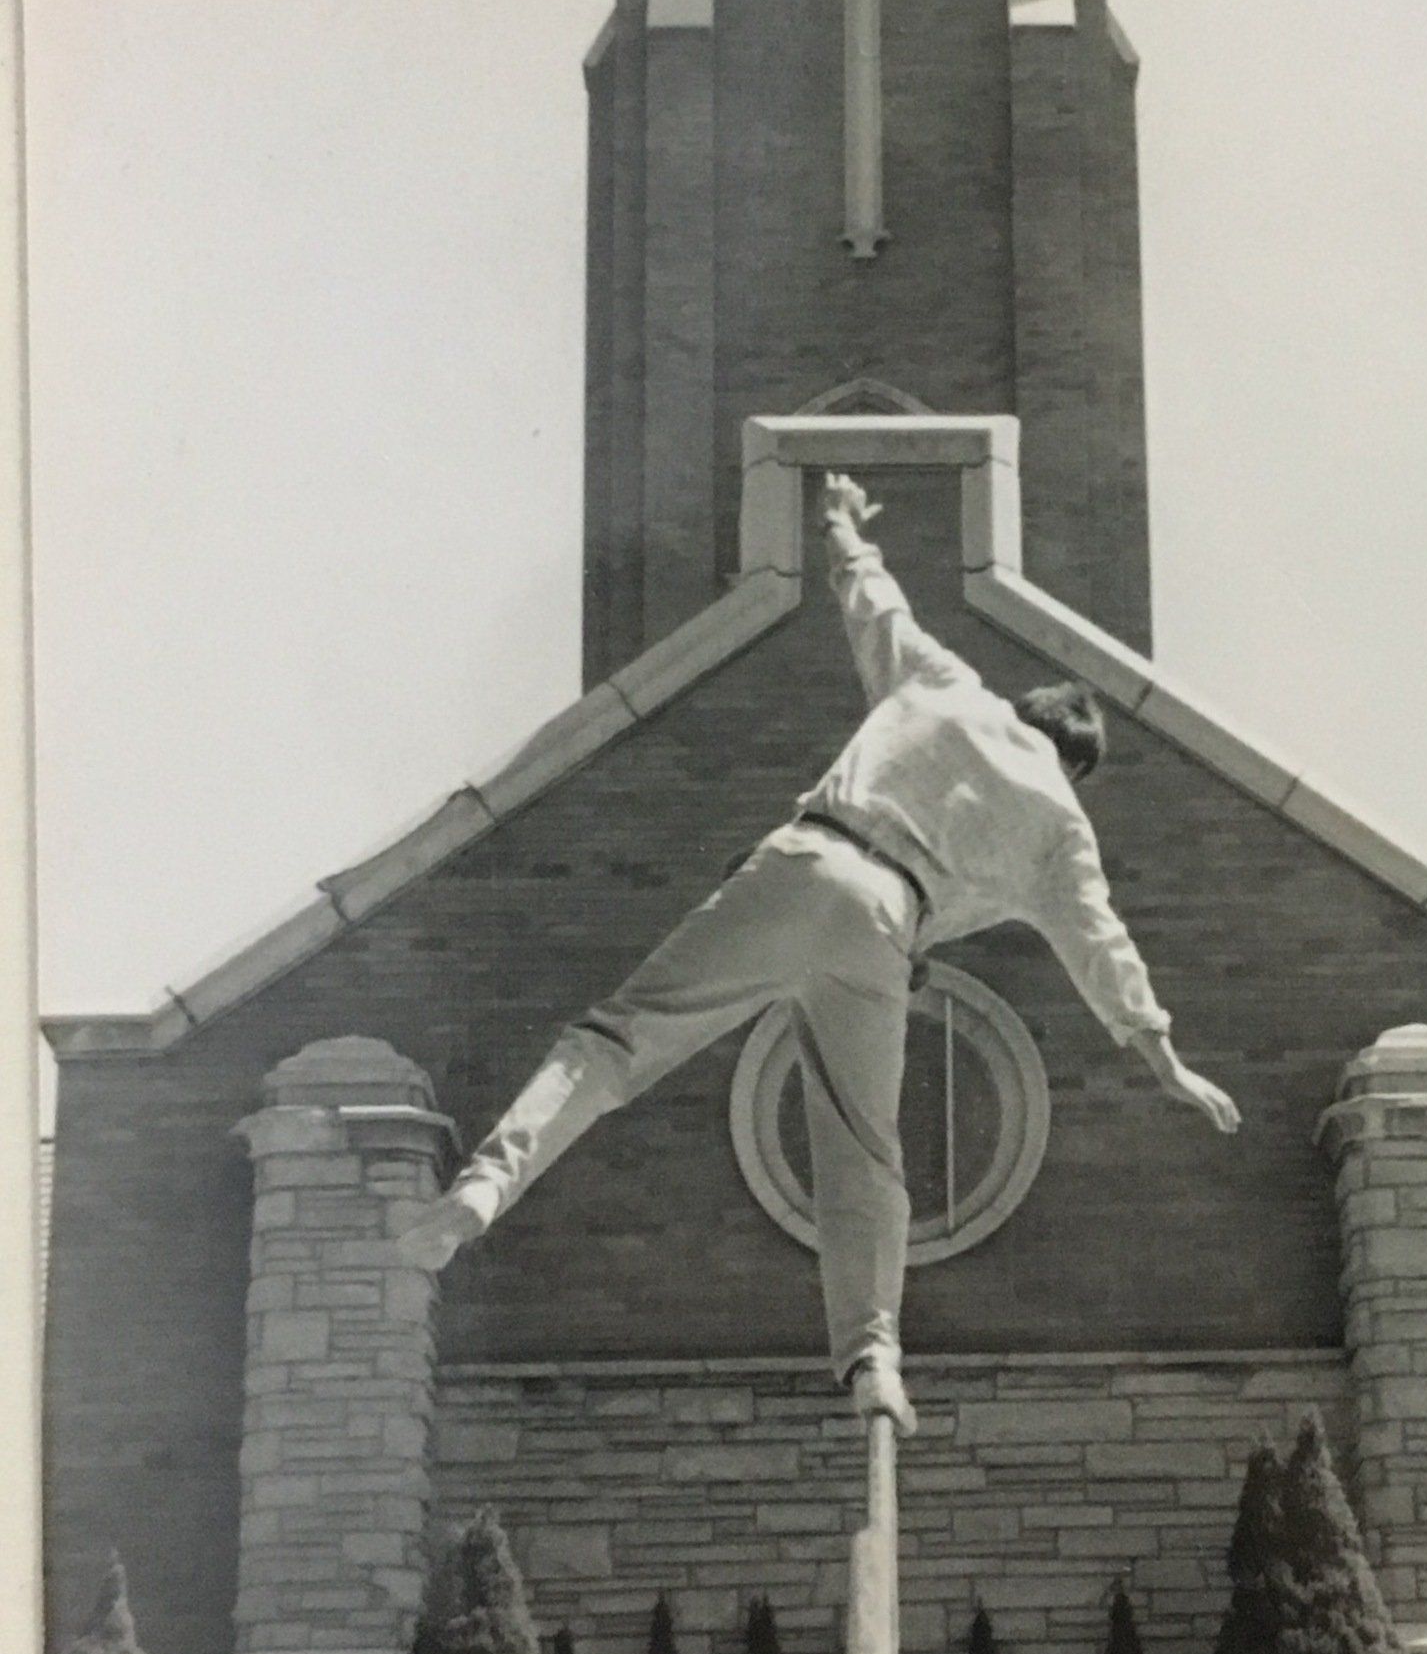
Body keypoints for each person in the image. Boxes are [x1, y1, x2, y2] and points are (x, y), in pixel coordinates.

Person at [395, 473, 1240, 1431]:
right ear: (1074, 763)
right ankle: (874, 1355)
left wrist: (840, 520)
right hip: (885, 922)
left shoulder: (948, 685)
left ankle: (480, 1191)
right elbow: (1103, 945)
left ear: (1026, 708)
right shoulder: (1061, 824)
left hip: (806, 860)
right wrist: (1164, 1056)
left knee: (613, 1042)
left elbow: (874, 600)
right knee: (863, 1153)